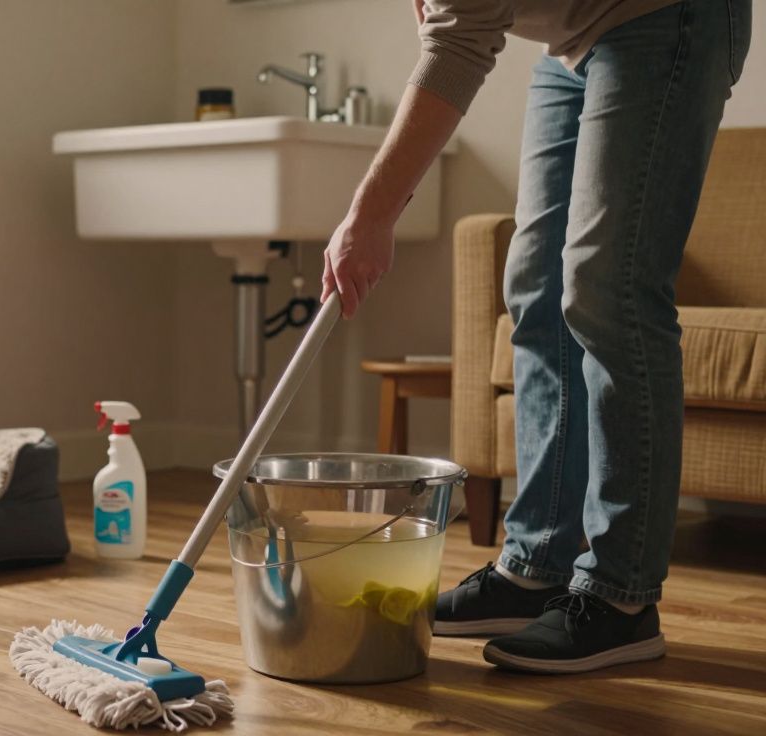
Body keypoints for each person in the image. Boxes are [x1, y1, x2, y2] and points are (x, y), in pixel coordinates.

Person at [321, 0, 751, 674]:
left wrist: (372, 212)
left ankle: (622, 596)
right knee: (537, 287)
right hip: (574, 44)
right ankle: (536, 567)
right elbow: (451, 23)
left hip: (666, 14)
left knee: (609, 288)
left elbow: (460, 43)